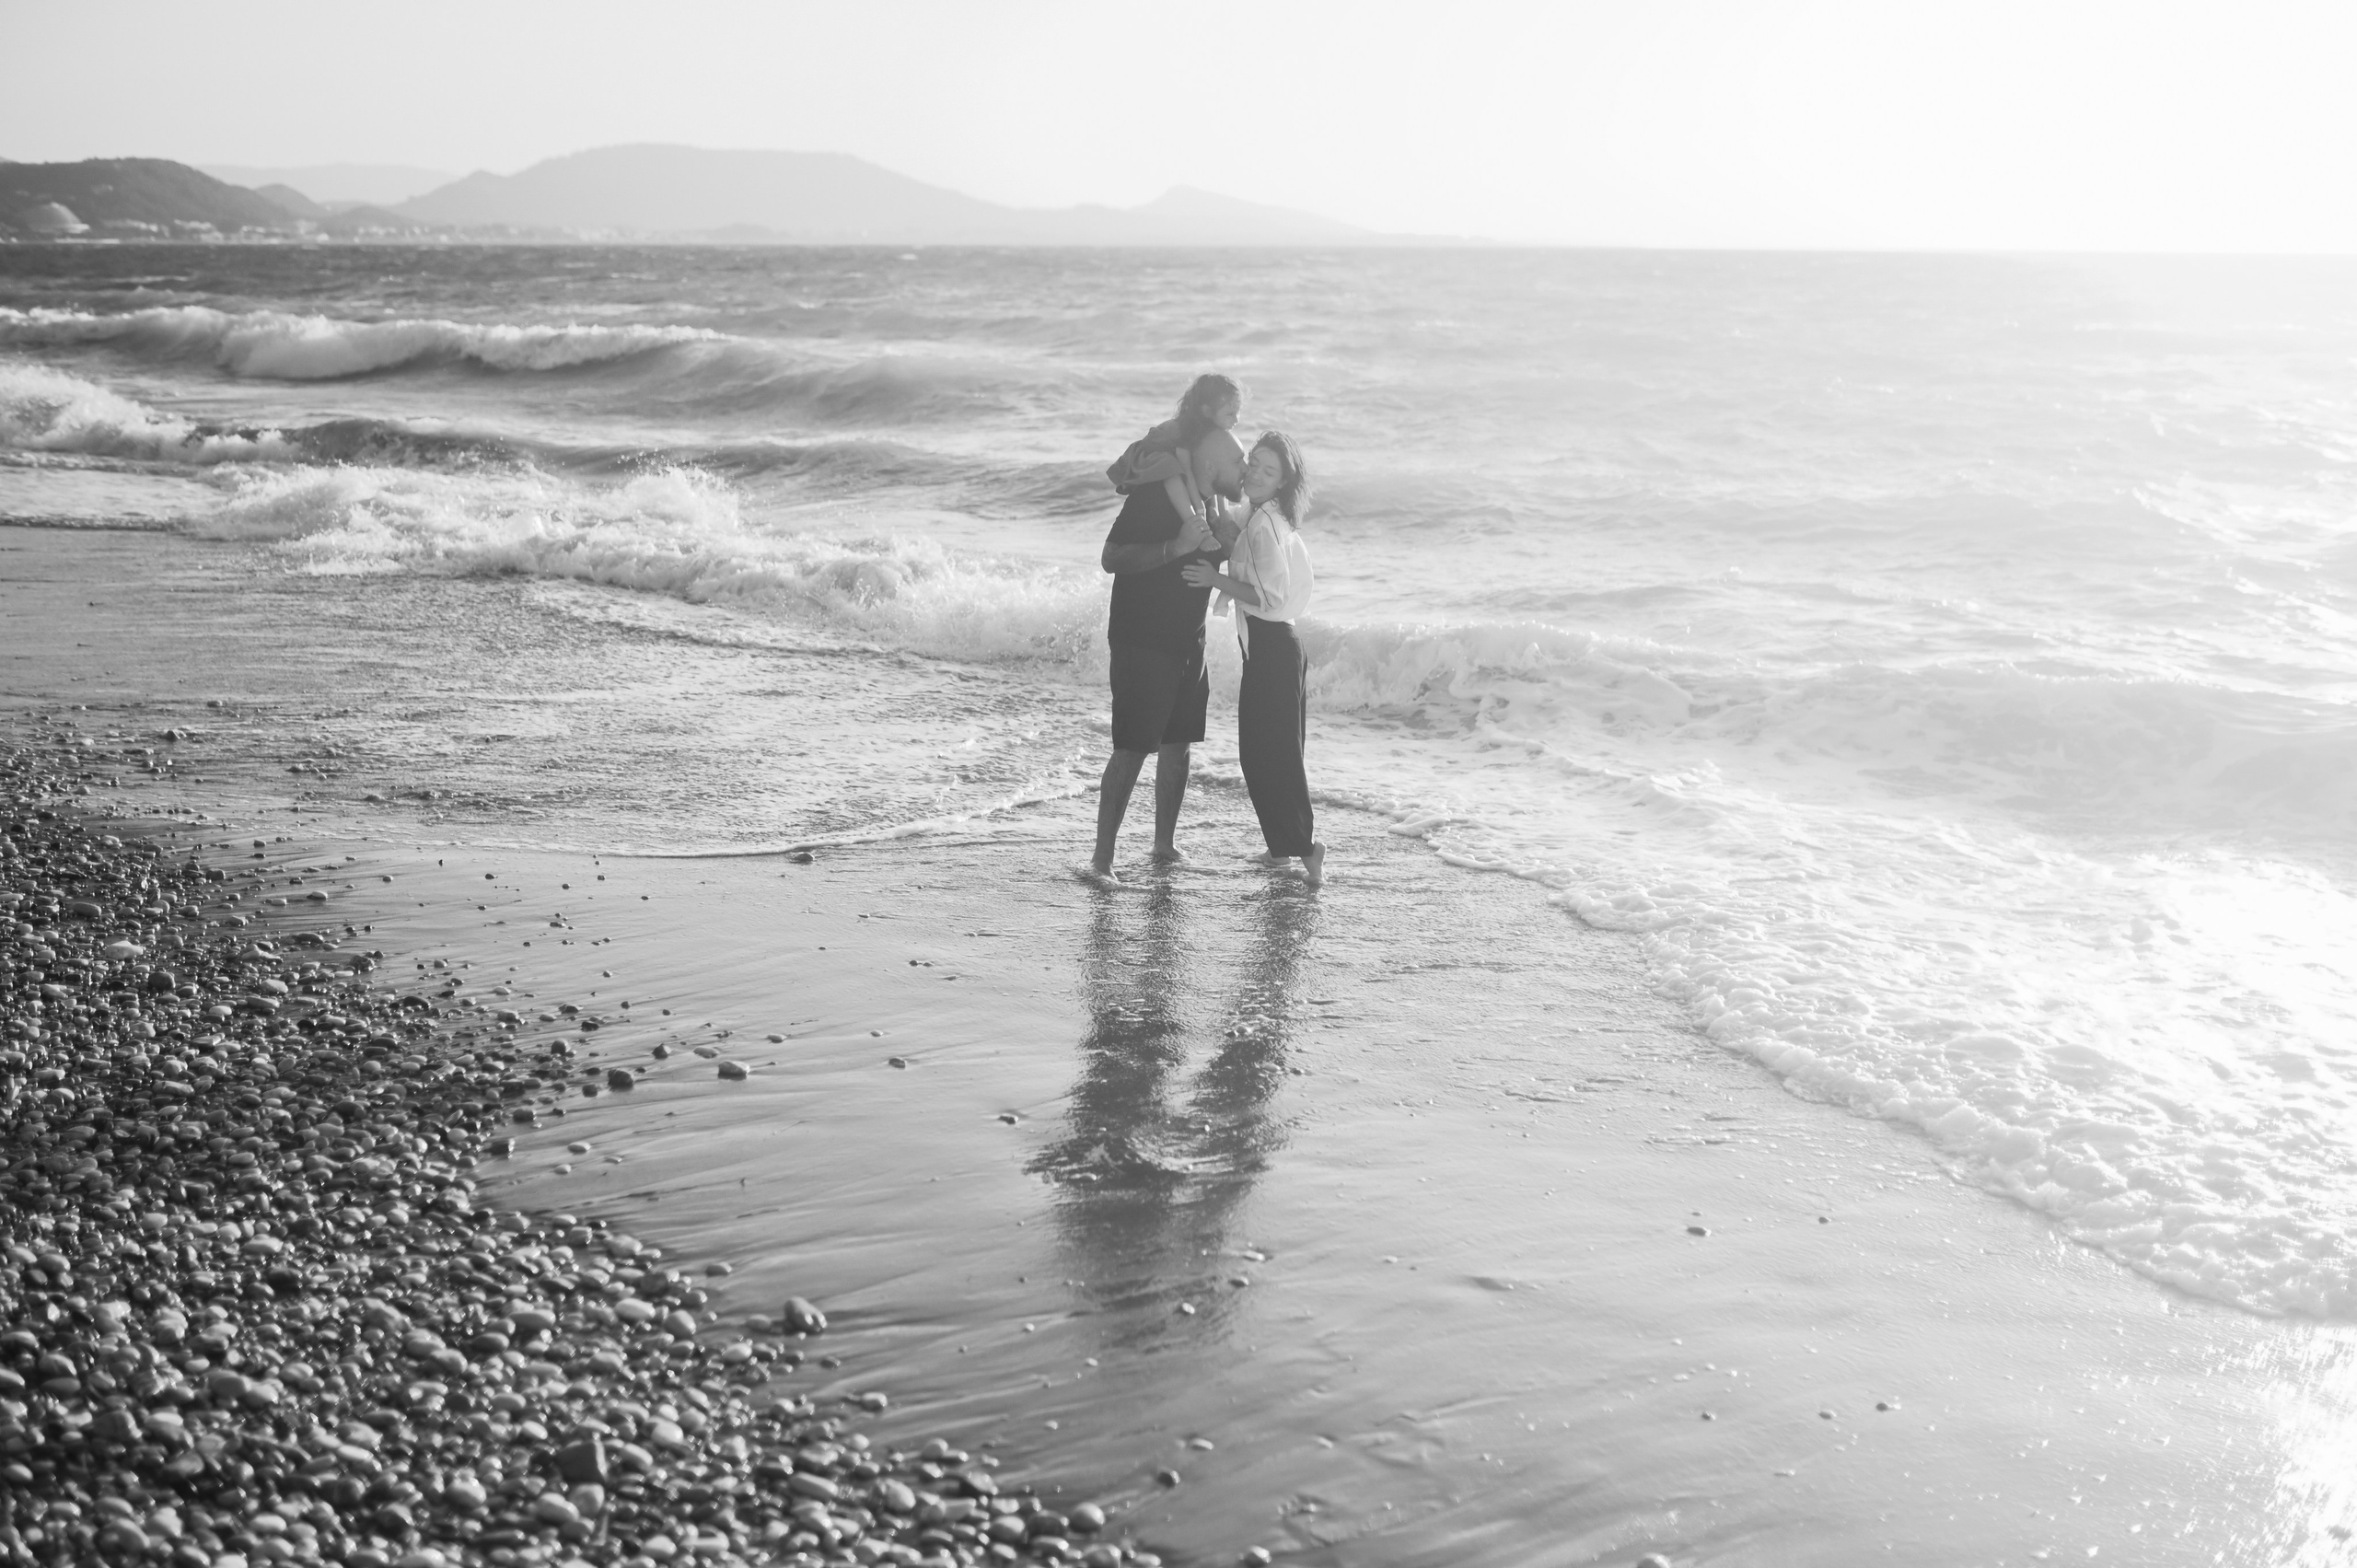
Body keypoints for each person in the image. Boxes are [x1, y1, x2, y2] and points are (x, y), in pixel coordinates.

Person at [1086, 417, 1243, 882]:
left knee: (1179, 746)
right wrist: (1175, 546)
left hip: (1188, 642)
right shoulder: (1155, 496)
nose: (1244, 466)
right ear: (1212, 461)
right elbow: (1111, 556)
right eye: (1236, 459)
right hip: (1142, 639)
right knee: (1133, 748)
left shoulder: (1212, 508)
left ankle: (1164, 844)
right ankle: (1102, 859)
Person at [1182, 432, 1323, 888]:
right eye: (1254, 464)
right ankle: (1282, 847)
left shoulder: (1265, 525)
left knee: (1270, 754)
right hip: (1275, 645)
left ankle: (1307, 849)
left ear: (1283, 481)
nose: (1256, 475)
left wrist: (1214, 579)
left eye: (1269, 471)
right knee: (1269, 752)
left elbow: (1268, 595)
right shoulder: (1267, 515)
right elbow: (1229, 527)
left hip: (1274, 647)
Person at [1106, 374, 1246, 524]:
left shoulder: (1213, 430)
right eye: (1230, 414)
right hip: (1154, 451)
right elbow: (1188, 475)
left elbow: (1220, 469)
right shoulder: (1188, 432)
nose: (1236, 419)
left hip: (1173, 452)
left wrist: (1221, 512)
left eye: (1238, 412)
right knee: (1172, 470)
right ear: (1207, 412)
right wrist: (1200, 508)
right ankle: (1192, 519)